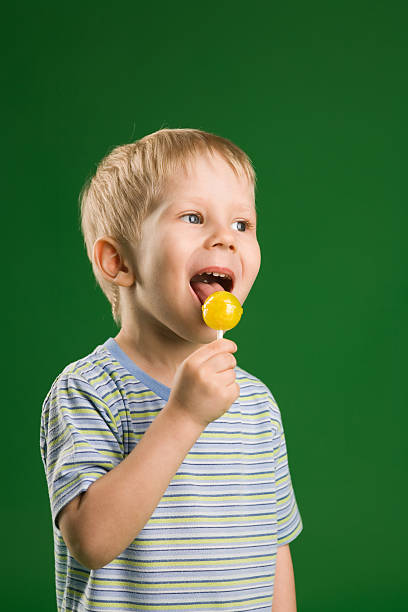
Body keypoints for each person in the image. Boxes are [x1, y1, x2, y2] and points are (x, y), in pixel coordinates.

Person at [40, 127, 303, 611]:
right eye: (193, 217)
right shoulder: (86, 390)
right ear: (118, 261)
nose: (225, 238)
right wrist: (183, 415)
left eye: (243, 224)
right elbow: (91, 542)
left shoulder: (257, 403)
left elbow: (276, 546)